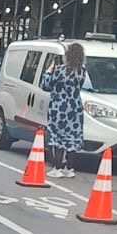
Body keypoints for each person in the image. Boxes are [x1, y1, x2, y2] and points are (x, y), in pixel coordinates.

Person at [41, 42, 86, 176]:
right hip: (74, 109)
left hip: (59, 108)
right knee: (72, 137)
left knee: (57, 138)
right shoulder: (81, 71)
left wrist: (49, 71)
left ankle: (57, 167)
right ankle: (69, 168)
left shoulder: (59, 70)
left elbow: (46, 85)